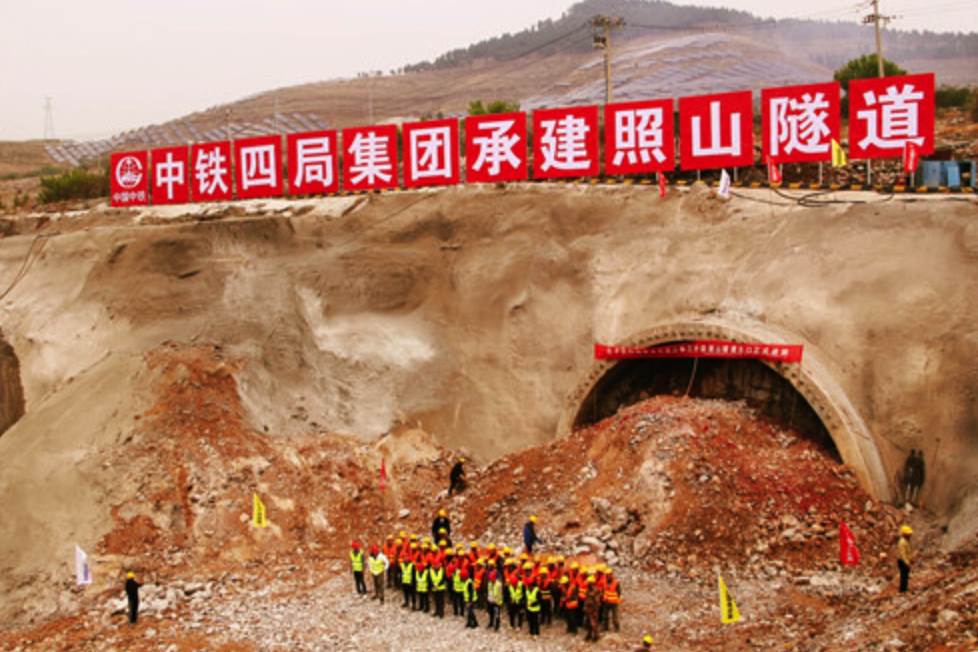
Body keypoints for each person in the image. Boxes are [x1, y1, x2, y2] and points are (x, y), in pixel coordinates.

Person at [583, 576, 602, 642]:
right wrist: (585, 607)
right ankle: (589, 635)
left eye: (588, 582)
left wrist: (596, 611)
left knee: (594, 624)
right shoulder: (588, 590)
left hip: (593, 609)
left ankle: (596, 636)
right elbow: (586, 599)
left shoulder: (596, 591)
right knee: (588, 623)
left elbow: (597, 602)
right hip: (588, 609)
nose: (587, 583)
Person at [602, 568, 622, 632]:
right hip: (606, 601)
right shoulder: (604, 582)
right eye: (606, 575)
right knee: (605, 616)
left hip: (614, 603)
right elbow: (603, 591)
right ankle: (605, 627)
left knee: (615, 616)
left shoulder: (616, 582)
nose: (608, 576)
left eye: (608, 575)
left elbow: (619, 592)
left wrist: (615, 598)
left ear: (611, 575)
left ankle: (616, 628)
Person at [897, 524, 915, 593]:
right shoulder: (902, 542)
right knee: (904, 576)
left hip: (906, 560)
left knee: (906, 576)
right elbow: (903, 554)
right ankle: (902, 590)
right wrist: (907, 563)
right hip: (903, 561)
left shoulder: (907, 541)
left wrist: (911, 559)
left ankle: (905, 588)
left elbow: (909, 551)